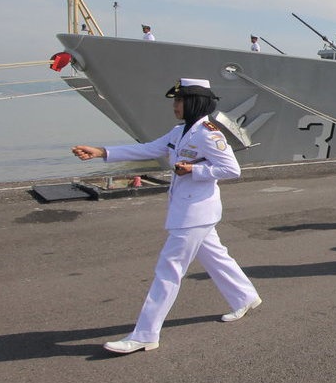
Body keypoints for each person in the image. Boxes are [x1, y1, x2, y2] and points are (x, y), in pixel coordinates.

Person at [71, 78, 260, 354]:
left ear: (194, 103)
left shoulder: (210, 134)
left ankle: (146, 334)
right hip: (189, 209)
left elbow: (232, 170)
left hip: (196, 212)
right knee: (216, 257)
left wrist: (194, 171)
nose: (175, 106)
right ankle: (245, 296)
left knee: (168, 271)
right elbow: (148, 149)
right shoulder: (179, 132)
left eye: (180, 101)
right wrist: (102, 152)